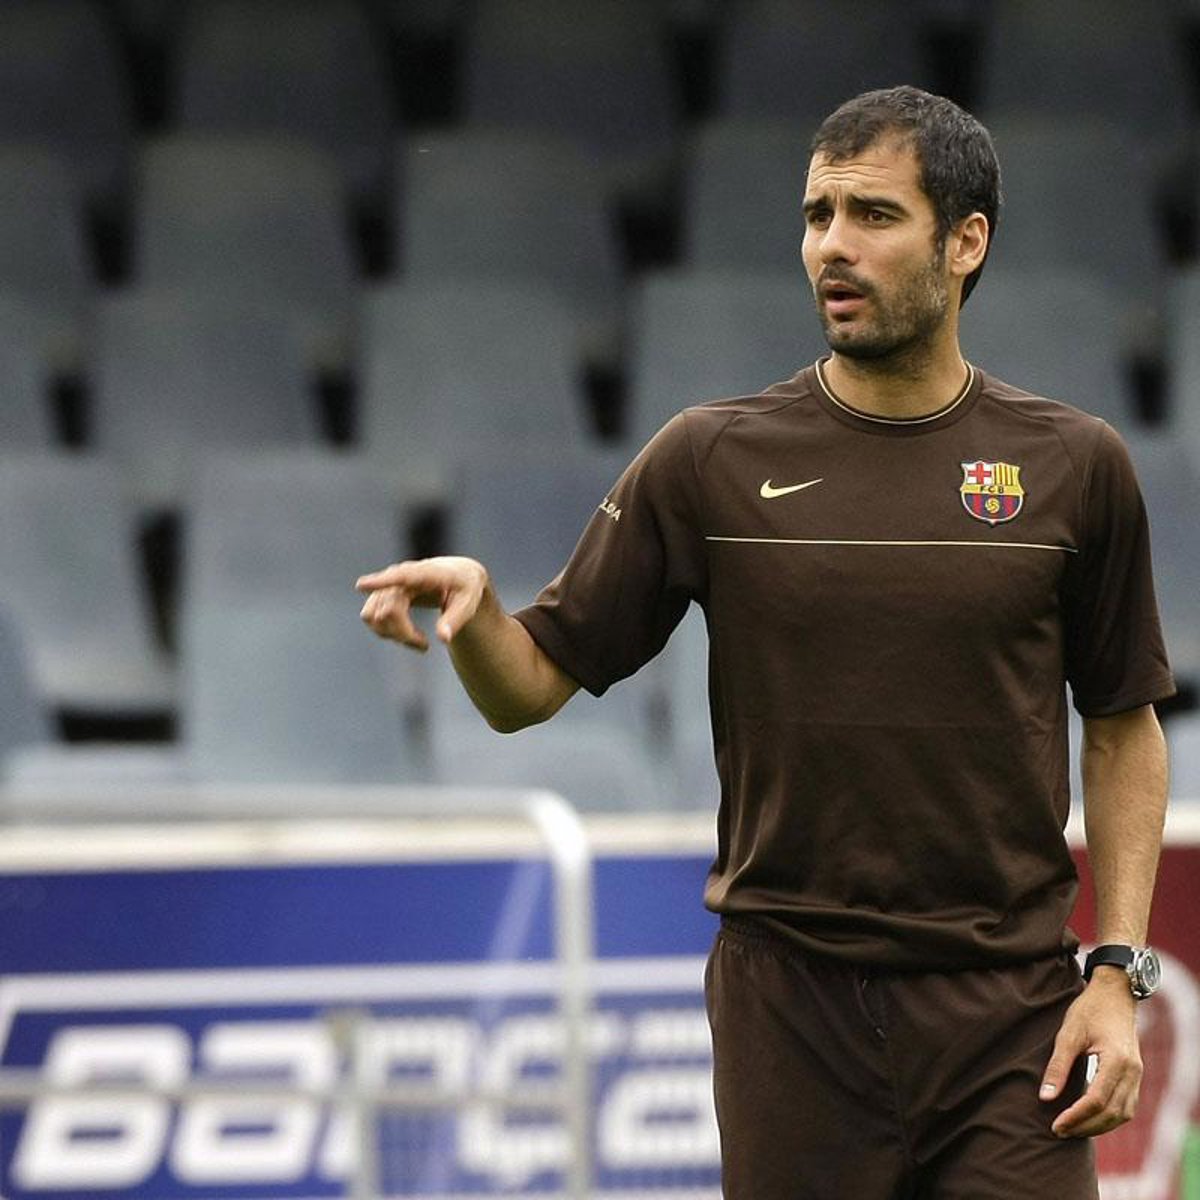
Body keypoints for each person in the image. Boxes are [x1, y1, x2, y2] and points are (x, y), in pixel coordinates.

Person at [356, 86, 1174, 1199]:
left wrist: (1118, 973)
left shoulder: (1076, 466)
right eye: (816, 214)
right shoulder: (710, 459)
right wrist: (480, 620)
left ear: (965, 241)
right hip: (791, 1015)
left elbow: (1123, 729)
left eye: (873, 215)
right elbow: (526, 689)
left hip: (1010, 1014)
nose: (832, 246)